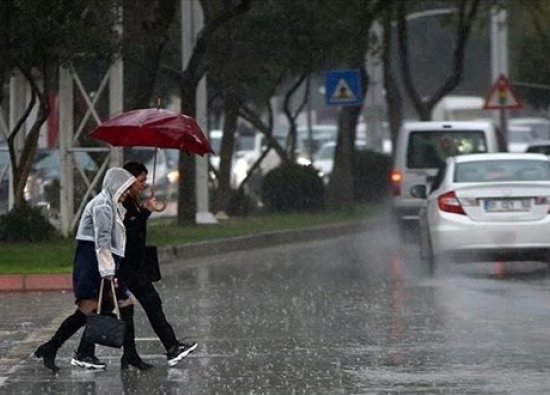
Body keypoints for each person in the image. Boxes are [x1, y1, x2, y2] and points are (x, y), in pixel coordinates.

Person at [35, 167, 137, 371]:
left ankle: (89, 352)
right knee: (89, 310)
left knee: (113, 306)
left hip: (101, 262)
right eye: (125, 187)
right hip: (94, 263)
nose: (127, 192)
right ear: (115, 185)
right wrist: (109, 271)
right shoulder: (103, 205)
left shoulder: (111, 205)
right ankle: (64, 349)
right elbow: (102, 241)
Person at [119, 161, 197, 368]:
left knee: (127, 312)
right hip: (128, 266)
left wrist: (145, 209)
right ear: (129, 180)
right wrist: (144, 212)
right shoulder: (122, 203)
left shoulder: (132, 202)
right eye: (141, 180)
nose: (144, 184)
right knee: (150, 305)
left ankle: (130, 355)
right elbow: (128, 233)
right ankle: (171, 347)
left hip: (133, 265)